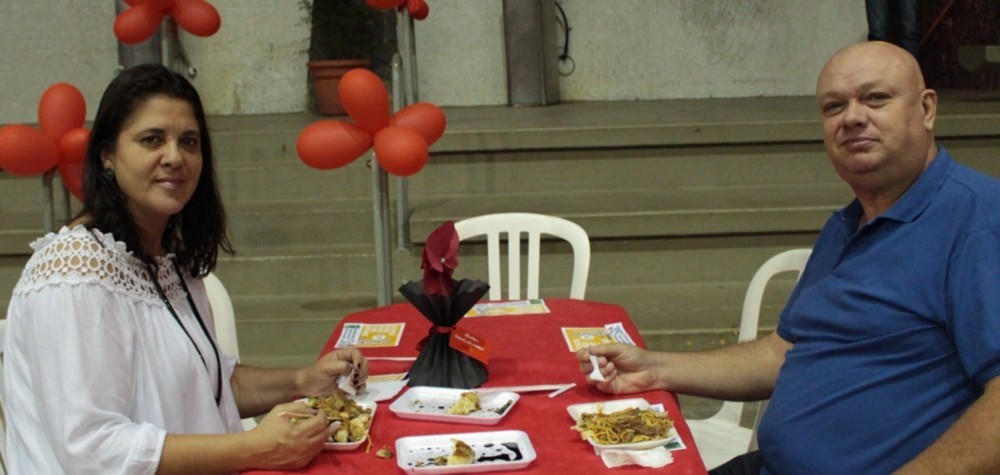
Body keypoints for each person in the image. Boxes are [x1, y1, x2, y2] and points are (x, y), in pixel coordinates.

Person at [578, 41, 1000, 474]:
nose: (852, 117)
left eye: (876, 98)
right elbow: (784, 351)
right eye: (834, 106)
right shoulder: (848, 224)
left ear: (927, 109)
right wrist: (655, 369)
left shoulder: (979, 222)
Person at [3, 64, 370, 474]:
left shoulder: (168, 258)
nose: (175, 157)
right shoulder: (73, 271)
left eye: (189, 142)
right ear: (107, 155)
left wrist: (302, 381)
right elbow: (91, 449)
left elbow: (208, 385)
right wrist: (254, 447)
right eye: (152, 139)